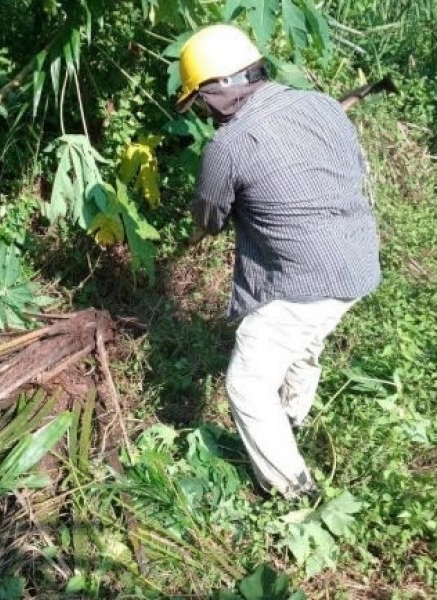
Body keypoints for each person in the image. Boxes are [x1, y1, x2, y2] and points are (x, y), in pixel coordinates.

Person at [176, 24, 381, 499]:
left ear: (216, 91)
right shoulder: (322, 105)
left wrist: (202, 226)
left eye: (200, 101)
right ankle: (291, 417)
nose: (203, 113)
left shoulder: (228, 146)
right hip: (358, 262)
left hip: (305, 280)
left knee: (247, 383)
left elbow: (209, 218)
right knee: (303, 337)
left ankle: (294, 490)